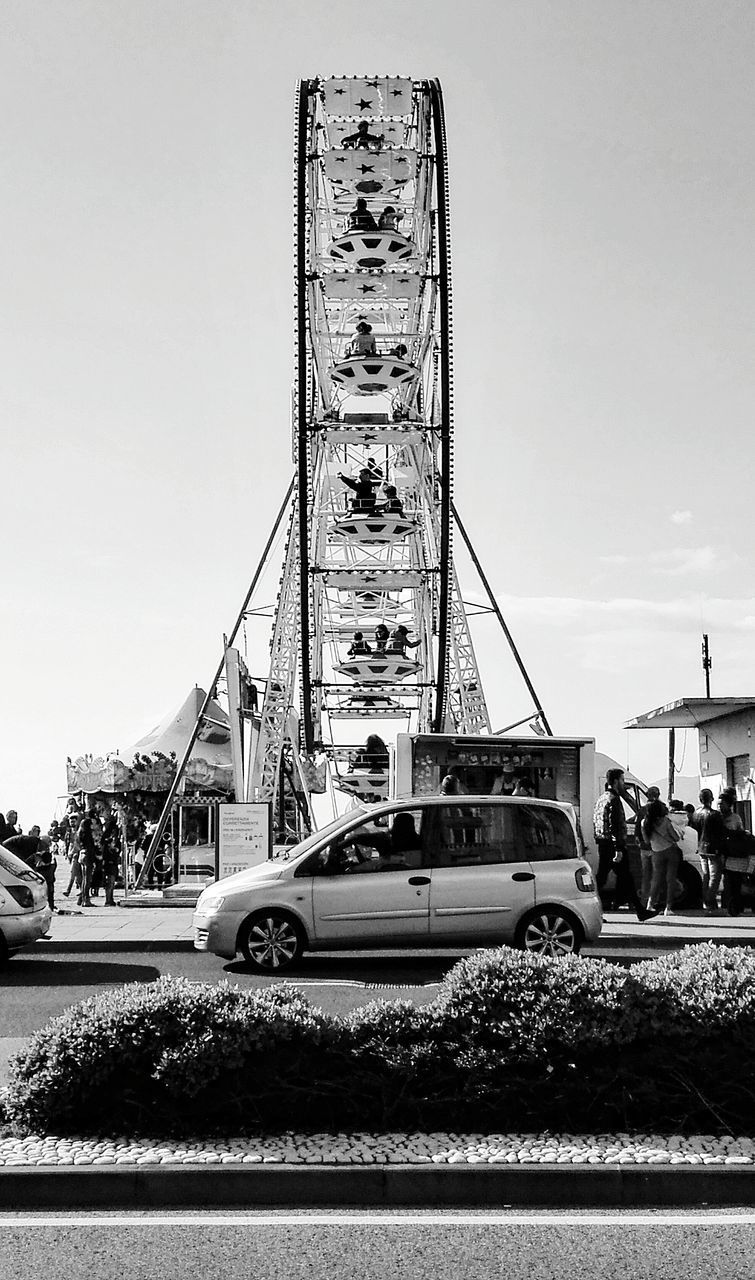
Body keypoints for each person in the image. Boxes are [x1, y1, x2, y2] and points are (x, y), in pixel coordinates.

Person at [593, 768, 655, 922]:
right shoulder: (614, 799)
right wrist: (618, 848)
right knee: (621, 878)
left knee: (611, 878)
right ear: (615, 781)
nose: (623, 783)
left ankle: (632, 909)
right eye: (621, 780)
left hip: (603, 843)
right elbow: (615, 825)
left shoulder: (602, 799)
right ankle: (639, 911)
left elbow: (597, 823)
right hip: (613, 846)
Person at [641, 797, 683, 917]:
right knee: (670, 879)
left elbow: (646, 841)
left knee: (656, 879)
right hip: (670, 851)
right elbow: (675, 837)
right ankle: (668, 908)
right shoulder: (665, 821)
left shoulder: (645, 823)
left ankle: (650, 904)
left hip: (656, 852)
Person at [690, 787, 726, 913]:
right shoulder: (715, 815)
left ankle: (706, 902)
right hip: (713, 848)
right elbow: (721, 833)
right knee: (715, 877)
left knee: (706, 876)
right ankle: (709, 901)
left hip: (701, 848)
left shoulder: (696, 814)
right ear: (711, 798)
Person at [718, 788, 747, 916]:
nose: (719, 806)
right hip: (720, 853)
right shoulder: (716, 817)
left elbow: (741, 834)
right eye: (718, 804)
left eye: (722, 803)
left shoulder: (735, 818)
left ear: (728, 805)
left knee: (735, 881)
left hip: (733, 855)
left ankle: (736, 905)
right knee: (727, 881)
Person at [635, 785, 661, 910]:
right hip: (656, 847)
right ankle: (653, 902)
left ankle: (644, 901)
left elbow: (636, 830)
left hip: (644, 847)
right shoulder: (659, 809)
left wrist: (640, 841)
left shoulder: (642, 810)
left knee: (646, 875)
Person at [76, 809, 99, 907]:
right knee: (87, 878)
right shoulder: (88, 835)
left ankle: (82, 898)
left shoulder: (80, 833)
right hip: (87, 855)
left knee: (84, 878)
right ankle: (86, 899)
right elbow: (91, 846)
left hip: (82, 854)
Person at [37, 842, 57, 912]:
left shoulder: (40, 869)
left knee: (42, 897)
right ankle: (51, 907)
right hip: (50, 883)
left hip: (43, 884)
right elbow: (54, 863)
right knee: (51, 897)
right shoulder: (52, 867)